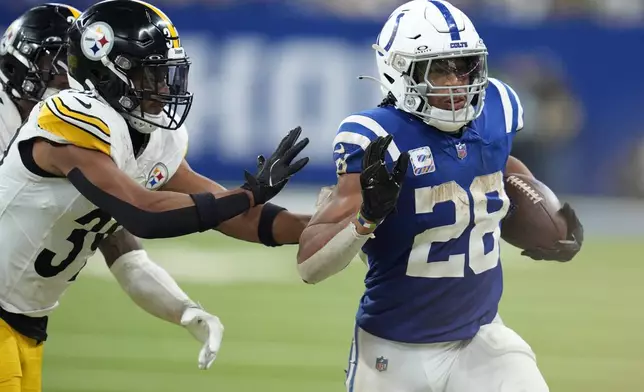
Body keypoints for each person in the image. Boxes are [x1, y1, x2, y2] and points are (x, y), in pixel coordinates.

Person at [0, 1, 310, 391]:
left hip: (25, 322)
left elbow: (233, 213)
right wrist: (247, 194)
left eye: (167, 74)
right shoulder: (68, 120)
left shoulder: (145, 138)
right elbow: (144, 213)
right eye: (152, 74)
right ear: (108, 74)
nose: (165, 88)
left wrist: (331, 224)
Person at [296, 1, 583, 391]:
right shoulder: (377, 137)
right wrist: (365, 218)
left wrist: (547, 215)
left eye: (463, 65)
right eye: (439, 69)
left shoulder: (496, 109)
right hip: (394, 351)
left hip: (481, 339)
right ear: (400, 70)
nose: (455, 82)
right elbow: (310, 266)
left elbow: (499, 165)